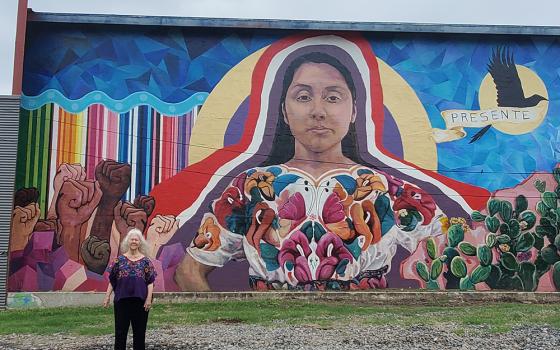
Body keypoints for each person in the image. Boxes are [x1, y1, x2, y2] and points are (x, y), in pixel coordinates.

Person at [167, 35, 479, 292]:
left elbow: (452, 256)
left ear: (354, 111)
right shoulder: (251, 188)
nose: (318, 111)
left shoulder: (388, 191)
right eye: (303, 97)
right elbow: (189, 271)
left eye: (333, 97)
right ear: (285, 112)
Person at [103, 228, 156, 350]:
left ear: (140, 243)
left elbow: (150, 282)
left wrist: (148, 300)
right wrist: (107, 297)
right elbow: (112, 281)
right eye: (132, 239)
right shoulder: (118, 260)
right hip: (122, 301)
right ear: (127, 242)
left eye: (136, 240)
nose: (134, 241)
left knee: (140, 333)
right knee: (120, 332)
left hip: (140, 302)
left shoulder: (146, 261)